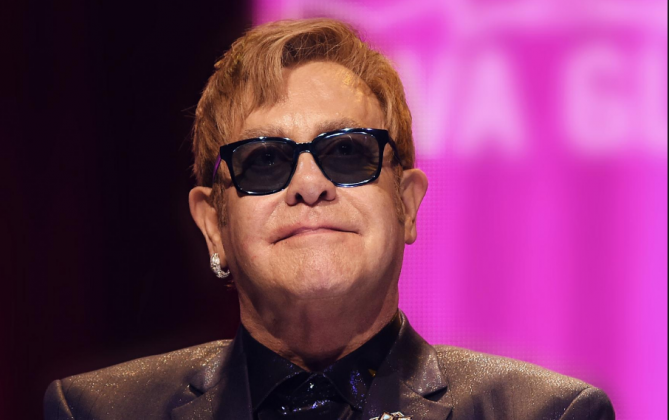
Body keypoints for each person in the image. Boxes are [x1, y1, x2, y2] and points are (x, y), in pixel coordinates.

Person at [44, 18, 615, 420]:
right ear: (214, 225)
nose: (310, 185)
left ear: (407, 204)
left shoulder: (547, 414)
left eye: (346, 152)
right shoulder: (98, 411)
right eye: (265, 161)